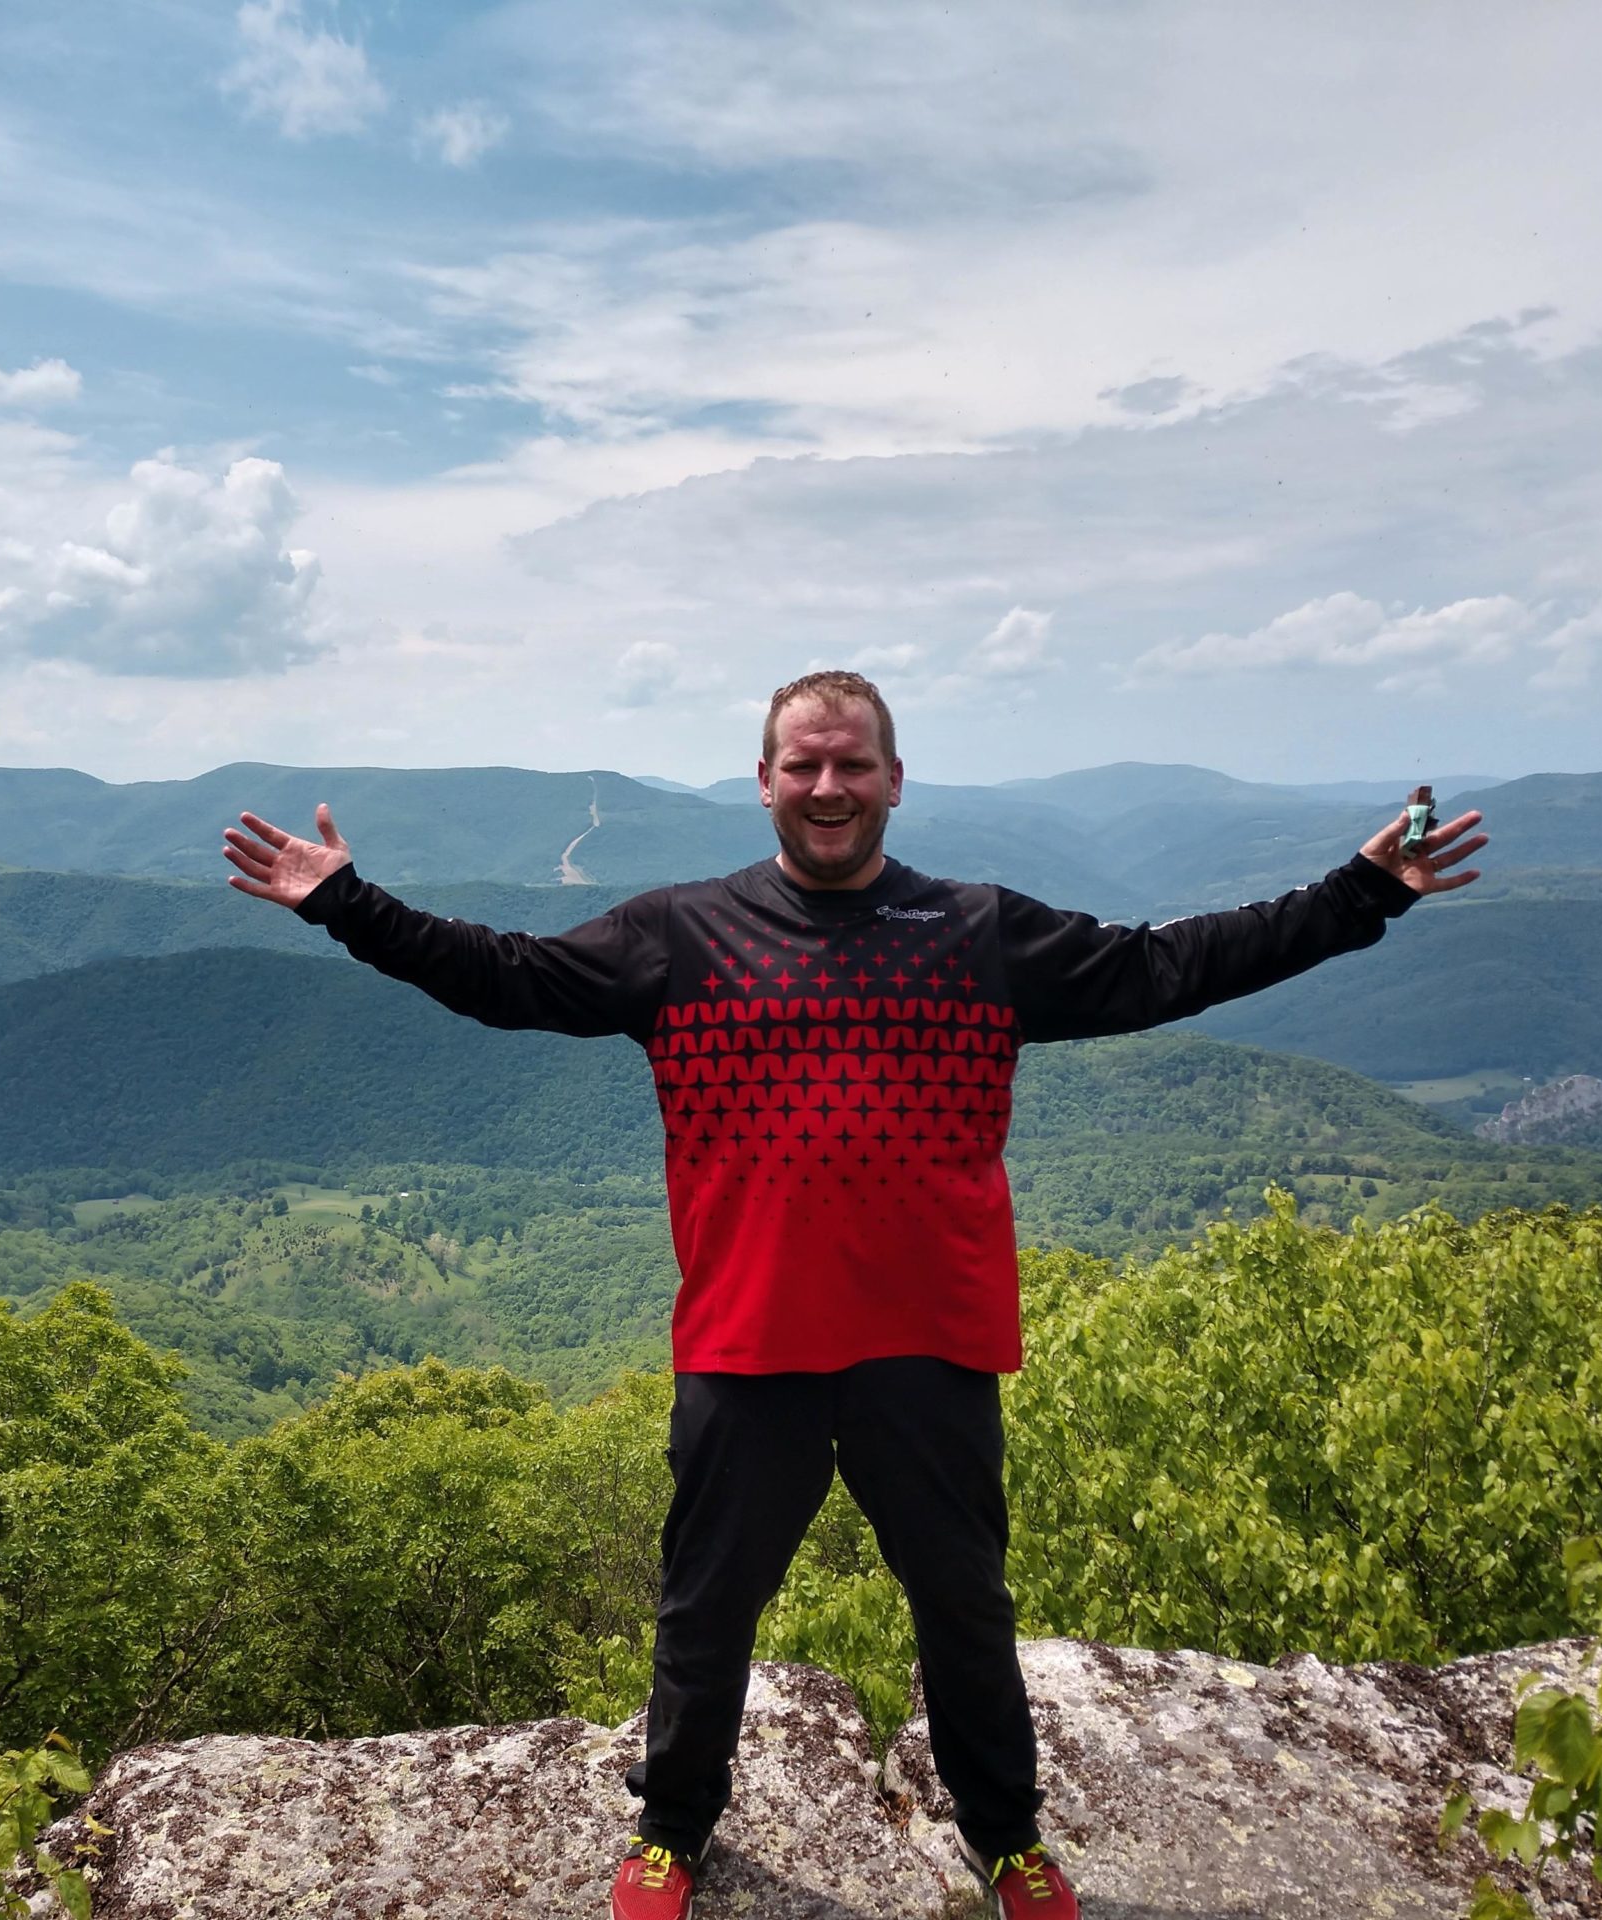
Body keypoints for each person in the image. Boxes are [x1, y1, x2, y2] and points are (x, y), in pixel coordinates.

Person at [222, 671, 1487, 1920]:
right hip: (746, 1340)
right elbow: (502, 976)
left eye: (853, 764)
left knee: (964, 1609)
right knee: (705, 1609)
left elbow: (1170, 967)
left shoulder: (979, 930)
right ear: (765, 781)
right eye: (805, 765)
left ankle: (1005, 1840)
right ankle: (671, 1828)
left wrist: (1360, 895)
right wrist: (350, 907)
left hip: (927, 1345)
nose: (829, 787)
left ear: (892, 779)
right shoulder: (679, 933)